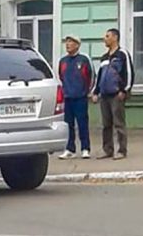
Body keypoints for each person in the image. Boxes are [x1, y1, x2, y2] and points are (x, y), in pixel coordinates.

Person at [92, 28, 134, 160]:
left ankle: (122, 150)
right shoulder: (104, 58)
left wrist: (124, 90)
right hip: (104, 95)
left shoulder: (122, 54)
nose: (104, 39)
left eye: (107, 36)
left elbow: (129, 73)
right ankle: (107, 150)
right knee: (106, 125)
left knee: (119, 123)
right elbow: (100, 76)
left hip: (117, 94)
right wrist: (95, 92)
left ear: (115, 38)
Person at [57, 35, 95, 160]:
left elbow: (92, 76)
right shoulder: (63, 61)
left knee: (82, 123)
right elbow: (61, 77)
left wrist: (89, 92)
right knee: (68, 125)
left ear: (77, 45)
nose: (68, 45)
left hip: (80, 97)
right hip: (68, 98)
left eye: (71, 42)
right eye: (66, 42)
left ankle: (85, 148)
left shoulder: (84, 59)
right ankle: (70, 149)